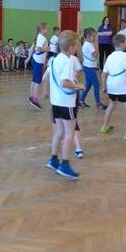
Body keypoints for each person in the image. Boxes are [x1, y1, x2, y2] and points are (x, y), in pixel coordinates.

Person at [45, 30, 84, 179]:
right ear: (70, 47)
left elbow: (47, 77)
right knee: (69, 133)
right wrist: (79, 86)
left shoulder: (54, 59)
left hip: (55, 102)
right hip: (67, 103)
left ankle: (53, 159)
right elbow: (65, 83)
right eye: (76, 45)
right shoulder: (68, 61)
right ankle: (65, 165)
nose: (77, 48)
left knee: (59, 131)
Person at [100, 34, 126, 146]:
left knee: (111, 105)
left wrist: (104, 87)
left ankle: (104, 126)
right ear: (122, 44)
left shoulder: (110, 56)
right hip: (122, 86)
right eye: (125, 43)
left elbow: (103, 74)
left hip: (111, 84)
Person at [79, 27, 106, 110]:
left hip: (88, 67)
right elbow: (95, 55)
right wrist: (97, 45)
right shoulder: (89, 45)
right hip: (89, 68)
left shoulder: (86, 44)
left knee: (88, 85)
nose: (94, 38)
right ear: (88, 36)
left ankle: (81, 100)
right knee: (96, 85)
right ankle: (98, 103)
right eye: (93, 36)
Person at [28, 22, 49, 110]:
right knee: (37, 81)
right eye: (46, 28)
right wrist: (46, 49)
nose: (47, 30)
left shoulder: (39, 37)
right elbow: (37, 49)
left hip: (37, 60)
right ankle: (34, 99)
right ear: (42, 29)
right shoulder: (41, 37)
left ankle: (31, 96)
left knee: (34, 80)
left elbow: (34, 48)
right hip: (37, 61)